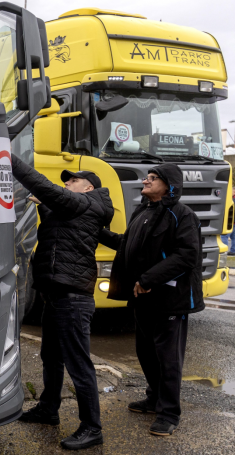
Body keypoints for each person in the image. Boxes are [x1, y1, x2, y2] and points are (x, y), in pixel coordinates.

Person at [10, 154, 114, 451]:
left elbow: (45, 186)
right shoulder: (74, 210)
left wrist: (8, 156)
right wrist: (44, 203)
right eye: (66, 181)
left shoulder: (85, 203)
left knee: (79, 365)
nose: (67, 183)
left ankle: (92, 428)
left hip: (73, 300)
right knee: (51, 358)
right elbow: (61, 229)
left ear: (88, 188)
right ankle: (48, 409)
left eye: (74, 180)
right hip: (55, 297)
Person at [99, 163, 204, 437]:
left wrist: (148, 279)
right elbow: (127, 243)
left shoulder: (182, 215)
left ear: (169, 186)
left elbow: (187, 255)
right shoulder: (143, 211)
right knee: (146, 352)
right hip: (142, 299)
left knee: (168, 358)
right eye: (147, 176)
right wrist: (97, 232)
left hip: (170, 299)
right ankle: (154, 398)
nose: (146, 180)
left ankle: (169, 413)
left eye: (153, 178)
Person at [220, 187, 235, 255]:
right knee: (234, 237)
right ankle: (233, 251)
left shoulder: (231, 200)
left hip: (230, 222)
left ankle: (224, 251)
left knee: (224, 236)